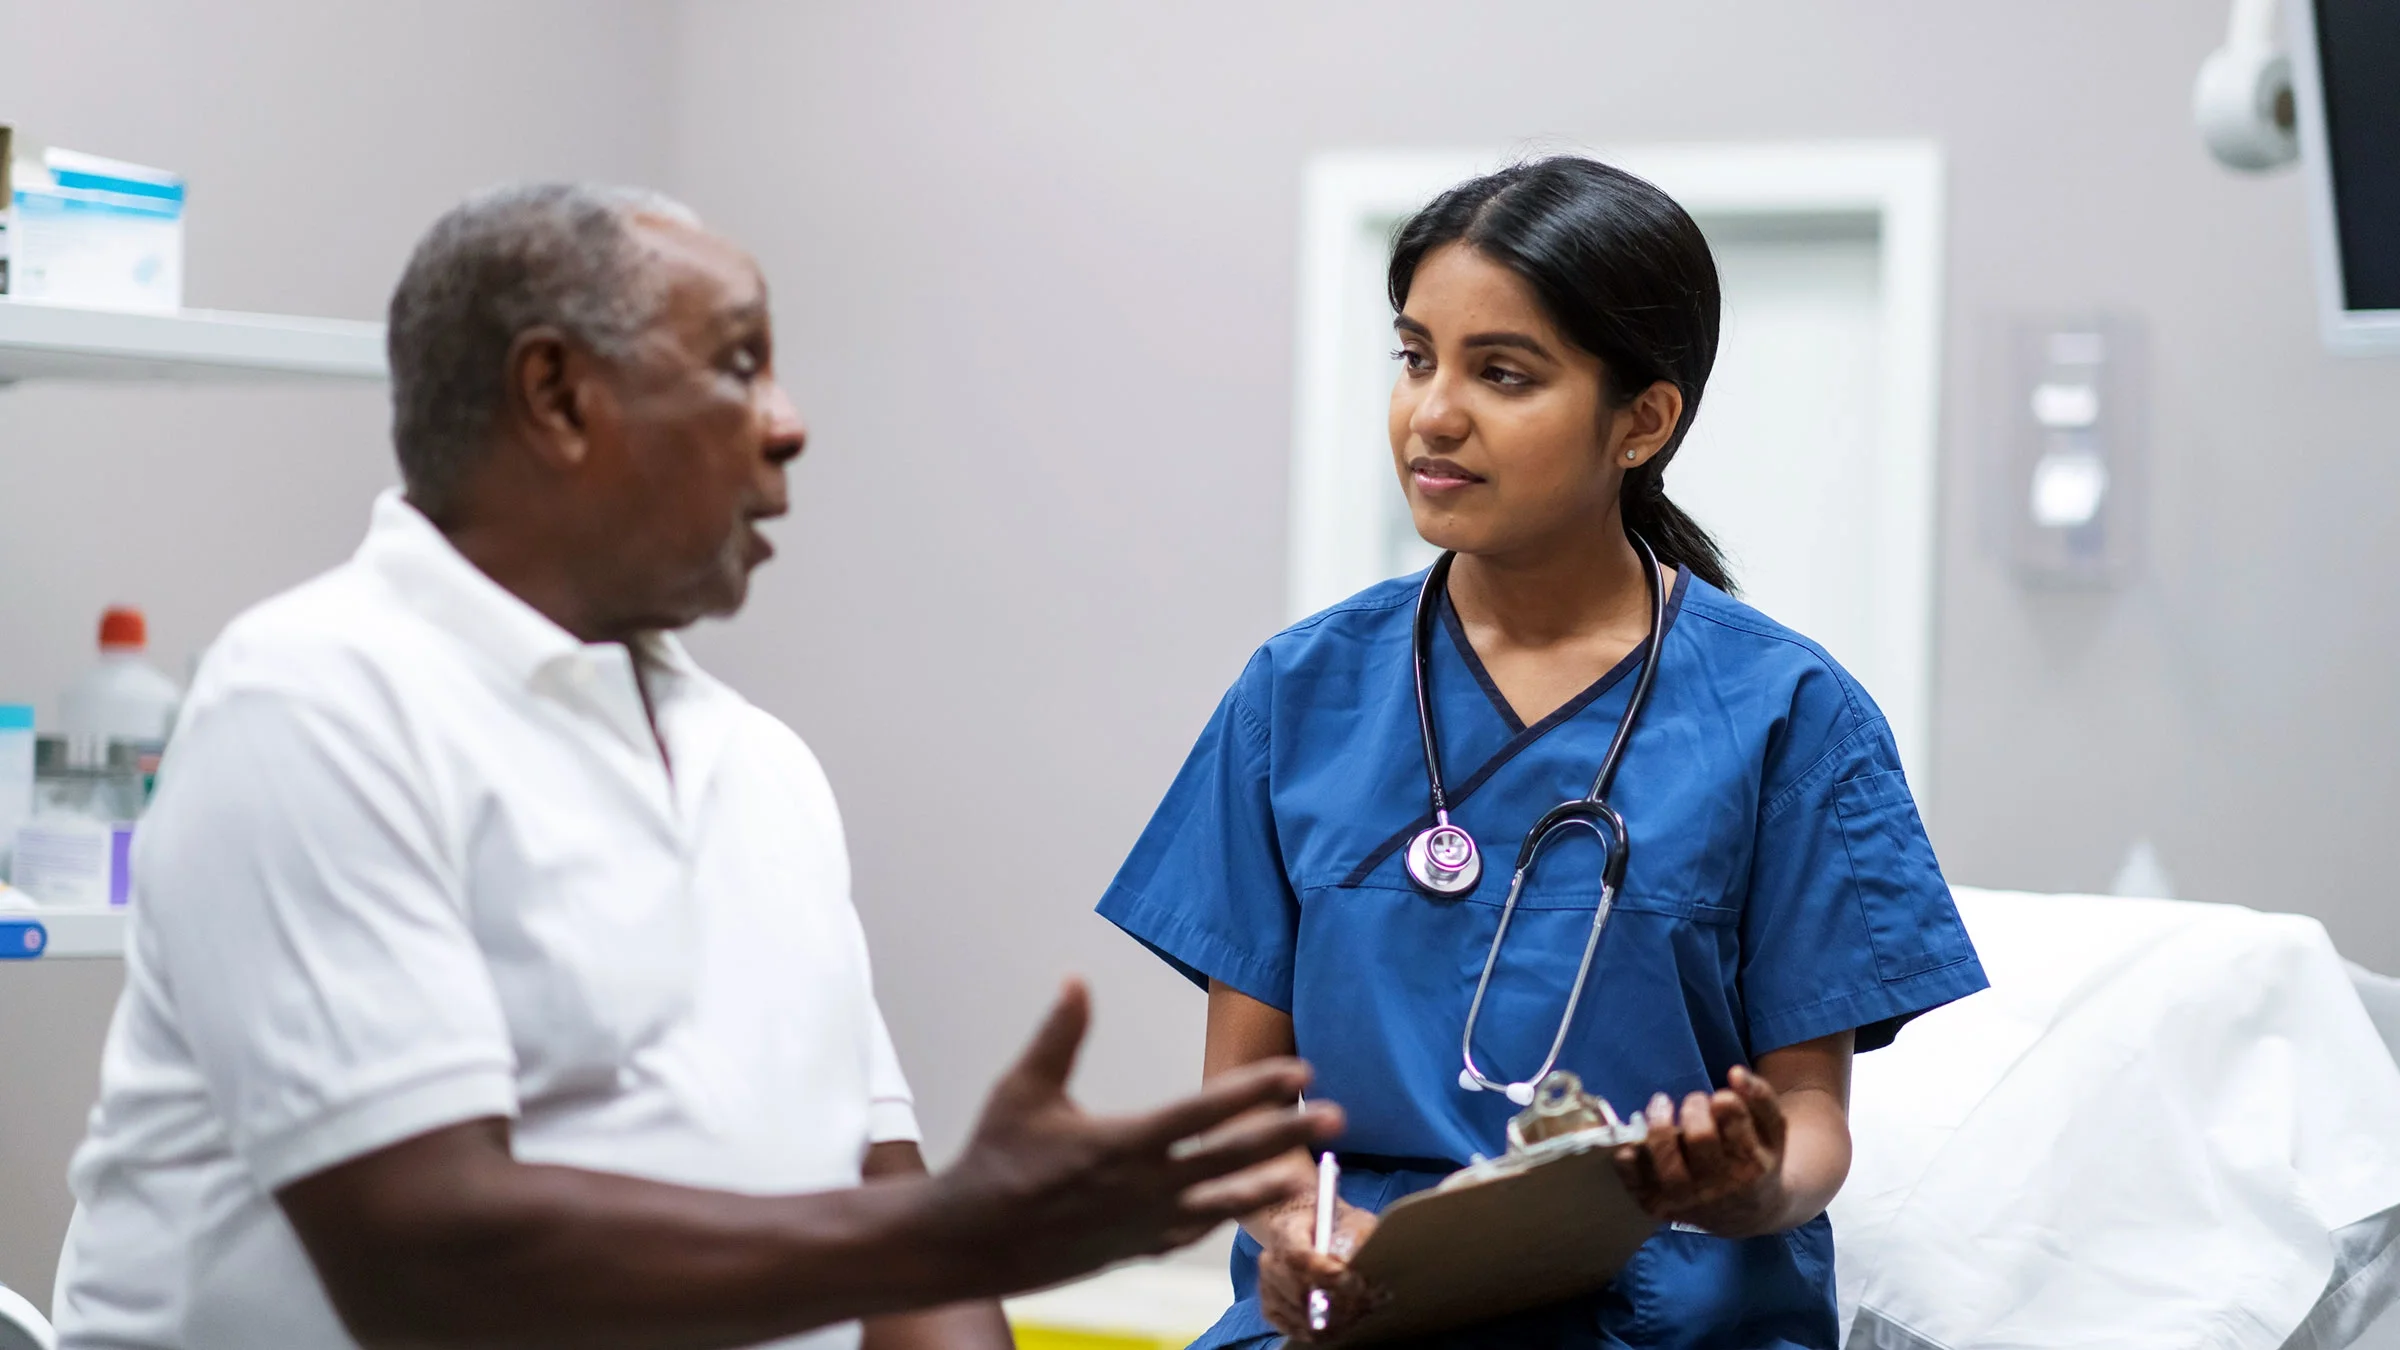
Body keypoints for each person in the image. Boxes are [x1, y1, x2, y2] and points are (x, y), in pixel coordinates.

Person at [51, 184, 1342, 1350]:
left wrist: (950, 1239)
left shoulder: (756, 764)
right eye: (739, 365)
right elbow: (431, 1261)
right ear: (557, 396)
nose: (789, 426)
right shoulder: (321, 701)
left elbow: (878, 1195)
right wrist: (965, 1227)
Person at [1096, 157, 1988, 1348]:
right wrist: (1293, 1228)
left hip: (1664, 1313)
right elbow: (1247, 1109)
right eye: (1416, 357)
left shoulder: (1790, 716)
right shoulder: (1298, 695)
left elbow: (1810, 1117)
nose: (1434, 412)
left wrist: (1748, 1189)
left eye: (1503, 373)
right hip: (1357, 1307)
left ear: (1644, 420)